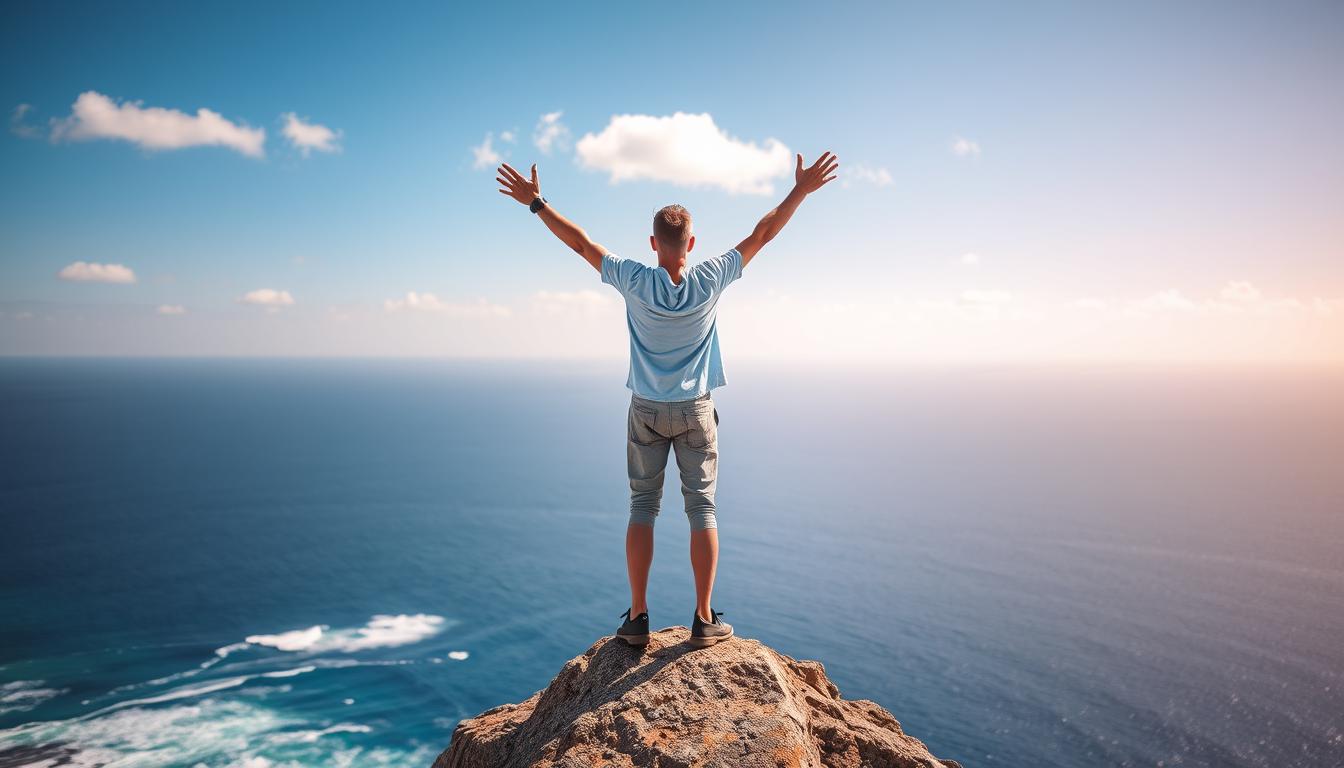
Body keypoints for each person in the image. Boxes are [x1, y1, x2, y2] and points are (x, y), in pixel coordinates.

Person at [495, 151, 839, 648]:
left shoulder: (634, 279)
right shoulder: (710, 277)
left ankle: (637, 618)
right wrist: (801, 191)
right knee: (702, 509)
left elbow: (580, 244)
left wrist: (537, 204)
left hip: (647, 411)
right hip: (697, 410)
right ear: (691, 244)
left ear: (654, 243)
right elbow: (763, 233)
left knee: (642, 507)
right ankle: (703, 619)